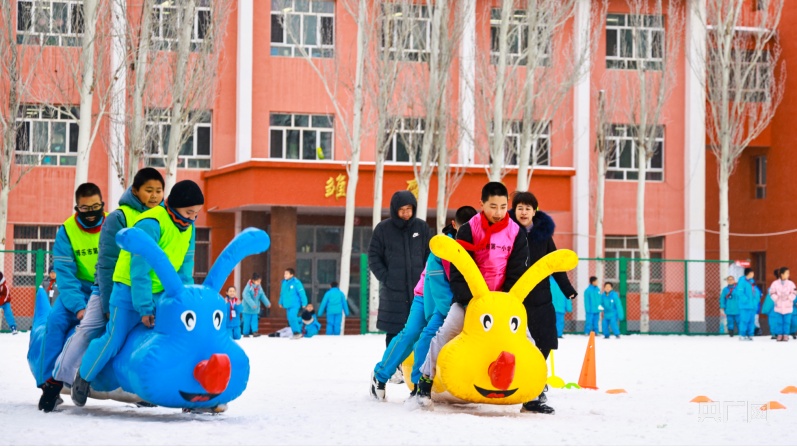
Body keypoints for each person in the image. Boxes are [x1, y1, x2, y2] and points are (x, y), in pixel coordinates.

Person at [71, 180, 204, 407]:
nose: (192, 218)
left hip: (160, 292)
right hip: (128, 289)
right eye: (189, 212)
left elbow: (185, 267)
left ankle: (174, 389)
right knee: (114, 338)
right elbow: (139, 270)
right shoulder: (151, 223)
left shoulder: (188, 227)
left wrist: (183, 299)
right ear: (175, 206)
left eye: (196, 214)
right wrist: (144, 308)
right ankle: (83, 378)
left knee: (173, 337)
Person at [414, 183, 530, 410]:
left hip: (501, 303)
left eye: (503, 207)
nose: (498, 212)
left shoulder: (516, 232)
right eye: (493, 206)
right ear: (482, 204)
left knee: (526, 339)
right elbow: (458, 269)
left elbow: (517, 269)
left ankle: (535, 391)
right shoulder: (468, 229)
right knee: (445, 333)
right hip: (471, 301)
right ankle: (425, 381)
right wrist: (468, 300)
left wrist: (504, 300)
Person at [53, 168, 165, 400]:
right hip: (113, 289)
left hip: (150, 291)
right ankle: (59, 381)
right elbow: (106, 265)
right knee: (89, 331)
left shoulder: (164, 217)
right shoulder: (119, 218)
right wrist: (106, 303)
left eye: (159, 191)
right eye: (149, 191)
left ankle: (146, 389)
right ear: (135, 190)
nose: (154, 196)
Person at [35, 183, 106, 412]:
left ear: (102, 204)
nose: (91, 211)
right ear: (77, 207)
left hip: (106, 288)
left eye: (96, 206)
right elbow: (65, 275)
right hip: (77, 287)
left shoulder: (113, 224)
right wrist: (79, 307)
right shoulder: (66, 231)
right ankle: (49, 384)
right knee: (55, 322)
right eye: (86, 208)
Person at [508, 191, 577, 414]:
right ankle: (530, 392)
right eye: (520, 208)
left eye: (528, 208)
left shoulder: (543, 236)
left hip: (541, 298)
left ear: (534, 211)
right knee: (517, 345)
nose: (524, 211)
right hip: (515, 301)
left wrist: (568, 290)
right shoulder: (506, 232)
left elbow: (554, 264)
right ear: (514, 210)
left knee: (545, 341)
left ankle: (535, 384)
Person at [368, 190, 431, 347]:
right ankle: (394, 367)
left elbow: (429, 255)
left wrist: (426, 279)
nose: (406, 213)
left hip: (419, 291)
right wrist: (387, 278)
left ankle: (415, 368)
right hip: (393, 292)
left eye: (409, 209)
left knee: (419, 330)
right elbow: (373, 257)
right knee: (394, 332)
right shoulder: (383, 229)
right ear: (395, 210)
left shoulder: (422, 228)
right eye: (402, 210)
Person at [768, 267, 796, 342]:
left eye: (788, 273)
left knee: (787, 321)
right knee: (779, 321)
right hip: (778, 306)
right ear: (782, 274)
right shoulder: (775, 283)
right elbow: (771, 293)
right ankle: (780, 334)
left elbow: (794, 293)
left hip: (788, 306)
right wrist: (776, 298)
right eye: (787, 273)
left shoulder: (791, 283)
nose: (788, 275)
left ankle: (786, 335)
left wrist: (789, 298)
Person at [279, 268, 308, 337]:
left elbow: (302, 293)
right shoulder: (284, 283)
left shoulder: (296, 282)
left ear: (291, 274)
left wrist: (304, 303)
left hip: (295, 304)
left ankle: (297, 332)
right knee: (290, 318)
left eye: (286, 274)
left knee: (292, 317)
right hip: (287, 305)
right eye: (284, 273)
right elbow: (282, 294)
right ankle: (295, 332)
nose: (285, 275)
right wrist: (280, 302)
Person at [242, 273, 270, 338]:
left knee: (255, 320)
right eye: (258, 281)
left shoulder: (259, 287)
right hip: (247, 309)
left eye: (260, 281)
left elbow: (262, 295)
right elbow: (246, 296)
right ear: (253, 280)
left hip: (255, 309)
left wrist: (267, 303)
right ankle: (245, 333)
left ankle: (255, 332)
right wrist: (252, 304)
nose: (259, 283)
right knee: (247, 321)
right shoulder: (248, 287)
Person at [733, 268, 758, 341]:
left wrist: (755, 301)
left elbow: (755, 292)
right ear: (748, 273)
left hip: (752, 305)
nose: (753, 274)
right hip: (745, 306)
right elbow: (740, 293)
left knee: (751, 320)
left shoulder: (752, 281)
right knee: (744, 320)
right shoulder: (742, 282)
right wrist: (746, 300)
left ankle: (750, 334)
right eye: (752, 273)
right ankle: (742, 334)